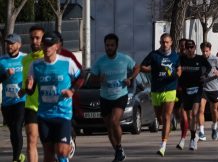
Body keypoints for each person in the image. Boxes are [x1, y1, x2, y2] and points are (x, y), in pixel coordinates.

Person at [24, 32, 80, 162]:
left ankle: (67, 146)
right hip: (44, 115)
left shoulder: (67, 62)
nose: (46, 48)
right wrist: (28, 87)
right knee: (48, 154)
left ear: (57, 46)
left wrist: (72, 90)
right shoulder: (36, 65)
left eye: (50, 45)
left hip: (63, 114)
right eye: (45, 45)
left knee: (61, 152)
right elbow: (30, 91)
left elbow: (81, 77)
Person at [87, 33, 139, 162]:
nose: (109, 48)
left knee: (114, 121)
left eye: (112, 45)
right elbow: (92, 79)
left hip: (120, 95)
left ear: (116, 46)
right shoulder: (100, 61)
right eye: (107, 45)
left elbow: (137, 67)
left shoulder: (124, 59)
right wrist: (99, 79)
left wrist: (130, 79)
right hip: (105, 96)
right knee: (109, 127)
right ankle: (118, 151)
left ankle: (119, 147)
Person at [141, 33, 181, 157]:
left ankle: (163, 146)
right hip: (156, 89)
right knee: (160, 118)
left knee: (166, 116)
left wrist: (177, 74)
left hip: (170, 89)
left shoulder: (175, 56)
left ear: (171, 42)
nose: (165, 44)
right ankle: (168, 122)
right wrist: (153, 70)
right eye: (163, 42)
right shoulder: (154, 55)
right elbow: (142, 66)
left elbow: (179, 69)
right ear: (160, 42)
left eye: (167, 42)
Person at [177, 40, 211, 151]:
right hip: (186, 90)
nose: (190, 49)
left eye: (192, 47)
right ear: (185, 48)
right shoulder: (181, 58)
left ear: (195, 47)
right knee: (189, 115)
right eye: (188, 47)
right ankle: (194, 135)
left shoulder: (200, 59)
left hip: (197, 88)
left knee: (194, 113)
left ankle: (192, 139)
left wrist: (205, 75)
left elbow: (209, 67)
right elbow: (176, 69)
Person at [1, 33, 26, 162]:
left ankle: (16, 159)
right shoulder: (2, 60)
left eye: (11, 43)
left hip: (21, 100)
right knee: (12, 131)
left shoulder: (25, 59)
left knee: (17, 127)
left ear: (19, 45)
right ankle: (19, 154)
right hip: (6, 102)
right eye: (7, 43)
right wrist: (5, 75)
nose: (9, 46)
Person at [22, 25, 45, 162]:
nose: (34, 41)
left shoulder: (48, 57)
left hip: (48, 106)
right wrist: (23, 89)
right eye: (32, 38)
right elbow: (27, 83)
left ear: (43, 40)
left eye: (37, 38)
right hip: (31, 105)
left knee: (49, 144)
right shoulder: (25, 60)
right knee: (31, 140)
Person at [199, 42, 218, 141]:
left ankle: (214, 127)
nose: (205, 53)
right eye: (203, 51)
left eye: (207, 51)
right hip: (202, 89)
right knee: (200, 110)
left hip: (213, 88)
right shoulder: (200, 59)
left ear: (210, 50)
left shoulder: (216, 59)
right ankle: (201, 131)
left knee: (214, 110)